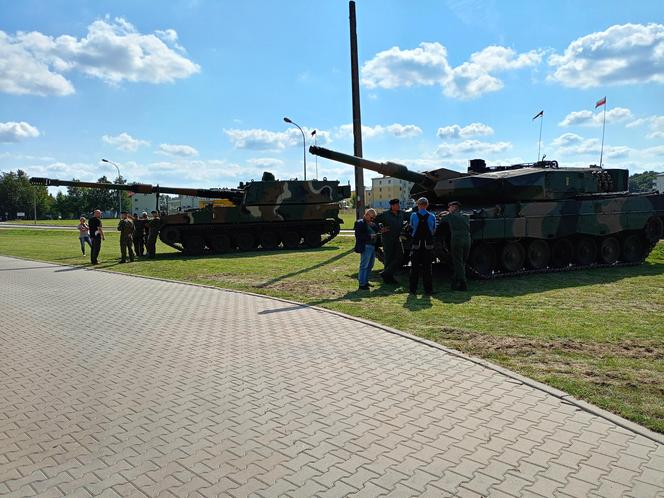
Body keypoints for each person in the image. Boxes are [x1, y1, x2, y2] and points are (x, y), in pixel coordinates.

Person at [375, 198, 407, 284]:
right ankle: (389, 278)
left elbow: (412, 216)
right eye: (396, 205)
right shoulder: (385, 214)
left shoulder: (401, 214)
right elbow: (374, 220)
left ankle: (385, 273)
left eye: (399, 204)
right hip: (387, 239)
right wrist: (380, 229)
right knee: (388, 258)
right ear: (392, 206)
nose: (398, 206)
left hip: (397, 238)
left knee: (400, 257)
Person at [440, 201, 471, 291]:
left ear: (453, 208)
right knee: (462, 262)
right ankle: (454, 281)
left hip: (457, 240)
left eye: (449, 207)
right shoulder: (466, 216)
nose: (448, 209)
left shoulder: (449, 216)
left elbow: (442, 220)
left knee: (458, 262)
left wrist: (444, 214)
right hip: (467, 240)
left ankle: (463, 283)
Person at [408, 197, 436, 295]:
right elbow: (433, 230)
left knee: (414, 268)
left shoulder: (413, 215)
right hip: (428, 245)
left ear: (418, 205)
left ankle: (412, 290)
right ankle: (428, 290)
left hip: (416, 245)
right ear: (427, 205)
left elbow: (411, 227)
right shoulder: (432, 216)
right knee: (427, 269)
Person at [354, 208, 379, 290]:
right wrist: (369, 236)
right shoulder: (359, 223)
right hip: (365, 246)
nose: (372, 219)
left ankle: (366, 281)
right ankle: (362, 284)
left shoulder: (372, 223)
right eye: (371, 217)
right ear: (366, 215)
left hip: (372, 246)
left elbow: (377, 231)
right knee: (364, 265)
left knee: (370, 265)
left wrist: (377, 228)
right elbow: (358, 236)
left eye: (373, 218)